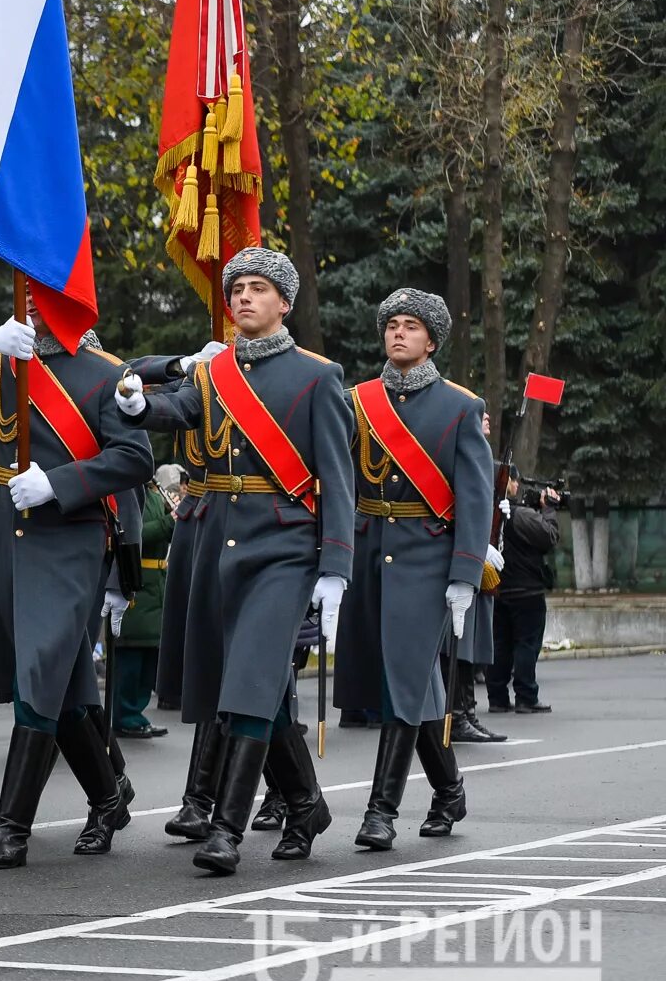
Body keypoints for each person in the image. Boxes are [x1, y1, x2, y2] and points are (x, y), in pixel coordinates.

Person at [115, 247, 353, 874]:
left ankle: (228, 828)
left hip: (285, 544)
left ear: (285, 302)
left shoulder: (317, 376)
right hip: (221, 543)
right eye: (237, 288)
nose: (243, 297)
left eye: (257, 288)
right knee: (248, 683)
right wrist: (141, 406)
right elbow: (177, 409)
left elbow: (336, 475)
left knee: (250, 679)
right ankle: (304, 802)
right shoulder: (212, 372)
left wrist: (335, 567)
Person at [0, 287, 152, 870]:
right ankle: (108, 798)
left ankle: (11, 828)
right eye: (29, 302)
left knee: (41, 670)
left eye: (47, 303)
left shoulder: (104, 375)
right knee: (59, 687)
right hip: (6, 540)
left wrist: (61, 482)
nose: (34, 312)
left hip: (69, 538)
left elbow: (135, 459)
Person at [334, 290, 491, 849]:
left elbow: (474, 497)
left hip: (427, 557)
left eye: (411, 327)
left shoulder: (460, 407)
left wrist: (465, 574)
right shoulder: (358, 401)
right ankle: (449, 791)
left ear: (431, 340)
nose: (398, 334)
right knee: (409, 681)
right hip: (370, 548)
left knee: (404, 678)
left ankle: (381, 811)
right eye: (392, 325)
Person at [488, 469, 561, 715]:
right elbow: (548, 536)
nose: (517, 484)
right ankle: (526, 695)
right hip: (527, 591)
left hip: (498, 589)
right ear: (506, 483)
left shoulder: (489, 514)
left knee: (500, 644)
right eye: (514, 479)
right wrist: (549, 509)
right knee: (526, 645)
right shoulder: (519, 515)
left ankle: (497, 697)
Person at [114, 473, 176, 740]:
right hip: (138, 580)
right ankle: (125, 715)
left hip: (157, 583)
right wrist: (167, 521)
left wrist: (174, 514)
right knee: (131, 657)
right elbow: (135, 533)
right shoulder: (126, 491)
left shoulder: (152, 493)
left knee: (149, 654)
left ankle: (135, 713)